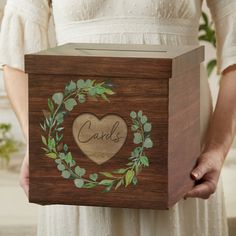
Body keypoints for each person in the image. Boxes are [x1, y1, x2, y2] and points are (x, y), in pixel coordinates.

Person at [0, 0, 235, 235]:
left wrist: (216, 148)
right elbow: (16, 54)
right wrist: (37, 141)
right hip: (73, 155)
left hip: (184, 156)